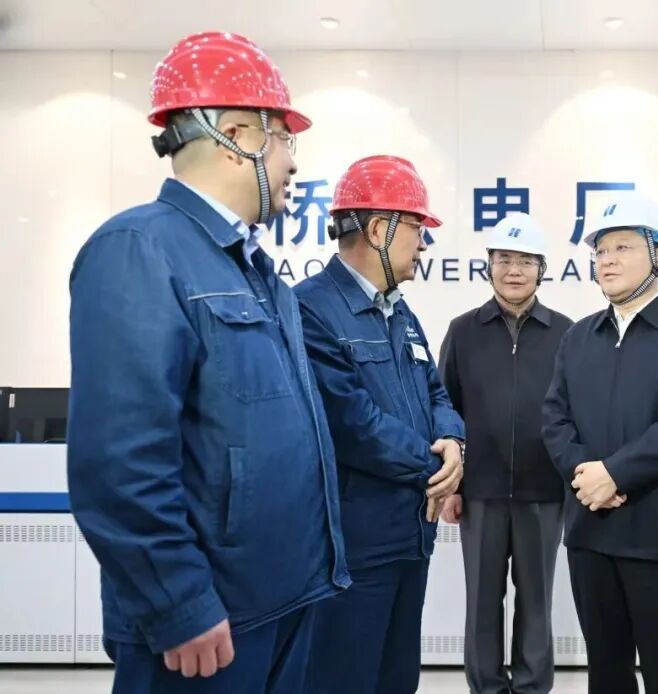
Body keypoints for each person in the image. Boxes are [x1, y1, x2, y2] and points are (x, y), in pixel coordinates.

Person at [67, 31, 350, 693]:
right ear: (236, 134)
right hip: (208, 626)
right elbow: (119, 461)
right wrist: (178, 602)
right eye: (285, 139)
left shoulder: (256, 272)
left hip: (280, 601)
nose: (293, 163)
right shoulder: (140, 248)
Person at [542, 191, 658, 694]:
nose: (607, 260)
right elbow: (554, 418)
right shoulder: (578, 337)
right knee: (606, 672)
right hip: (590, 530)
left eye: (623, 247)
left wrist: (615, 475)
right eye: (600, 251)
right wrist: (587, 477)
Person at [295, 155, 465, 694]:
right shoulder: (310, 310)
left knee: (396, 681)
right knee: (345, 681)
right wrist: (435, 466)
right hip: (354, 548)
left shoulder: (400, 313)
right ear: (378, 230)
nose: (424, 244)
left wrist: (454, 440)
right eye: (416, 228)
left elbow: (436, 392)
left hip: (410, 537)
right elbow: (353, 424)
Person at [438, 212, 573, 694]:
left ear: (542, 269)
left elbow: (575, 412)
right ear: (489, 266)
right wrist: (452, 485)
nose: (514, 270)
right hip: (480, 490)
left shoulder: (566, 333)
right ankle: (487, 687)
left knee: (537, 600)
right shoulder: (463, 331)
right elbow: (446, 410)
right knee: (482, 600)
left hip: (544, 490)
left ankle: (533, 686)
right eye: (504, 260)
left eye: (525, 261)